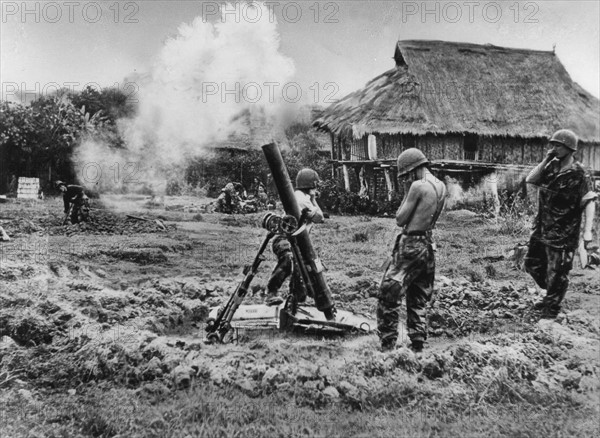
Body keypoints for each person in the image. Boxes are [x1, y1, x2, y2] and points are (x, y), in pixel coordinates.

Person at [378, 148, 447, 353]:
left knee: (389, 292)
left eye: (406, 175)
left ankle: (387, 344)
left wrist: (408, 190)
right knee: (418, 295)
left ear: (413, 169)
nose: (406, 179)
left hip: (411, 244)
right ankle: (418, 344)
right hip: (427, 244)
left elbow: (400, 219)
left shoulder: (418, 186)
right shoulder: (441, 186)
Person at [524, 129, 597, 318]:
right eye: (553, 145)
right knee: (532, 263)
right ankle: (552, 294)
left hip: (564, 232)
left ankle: (551, 311)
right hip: (543, 227)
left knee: (558, 272)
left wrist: (587, 232)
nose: (553, 148)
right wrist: (546, 160)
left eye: (558, 145)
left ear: (569, 148)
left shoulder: (579, 173)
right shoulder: (550, 167)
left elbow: (589, 201)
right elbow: (530, 179)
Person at [265, 168, 333, 318]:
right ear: (312, 185)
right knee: (289, 259)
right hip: (284, 238)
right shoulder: (300, 198)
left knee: (303, 273)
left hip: (296, 242)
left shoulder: (304, 197)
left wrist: (313, 198)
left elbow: (319, 217)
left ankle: (294, 304)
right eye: (316, 186)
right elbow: (320, 217)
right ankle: (271, 292)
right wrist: (314, 199)